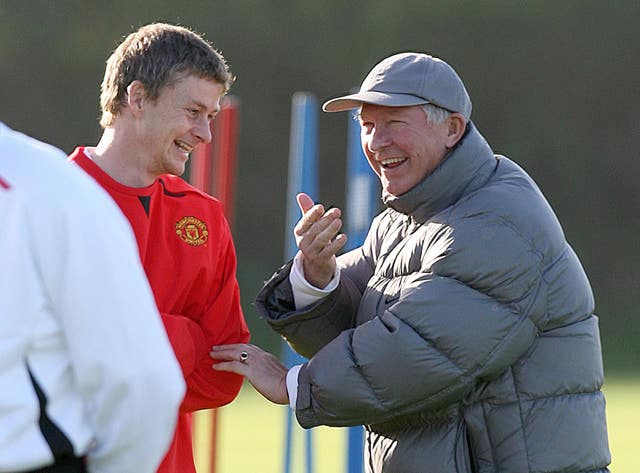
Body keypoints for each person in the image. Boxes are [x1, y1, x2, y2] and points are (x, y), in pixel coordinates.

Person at [211, 53, 611, 472]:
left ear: (453, 129)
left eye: (394, 122)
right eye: (367, 125)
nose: (376, 141)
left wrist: (293, 384)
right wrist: (317, 274)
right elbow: (353, 323)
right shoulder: (405, 217)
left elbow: (414, 350)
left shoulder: (497, 220)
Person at [67, 23, 250, 473]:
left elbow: (222, 371)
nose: (205, 134)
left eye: (211, 116)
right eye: (193, 111)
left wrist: (116, 342)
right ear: (137, 98)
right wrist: (183, 337)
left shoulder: (205, 219)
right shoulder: (46, 201)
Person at [0, 121, 185, 473]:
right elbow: (144, 384)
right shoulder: (53, 185)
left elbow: (145, 388)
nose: (204, 132)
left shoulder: (49, 187)